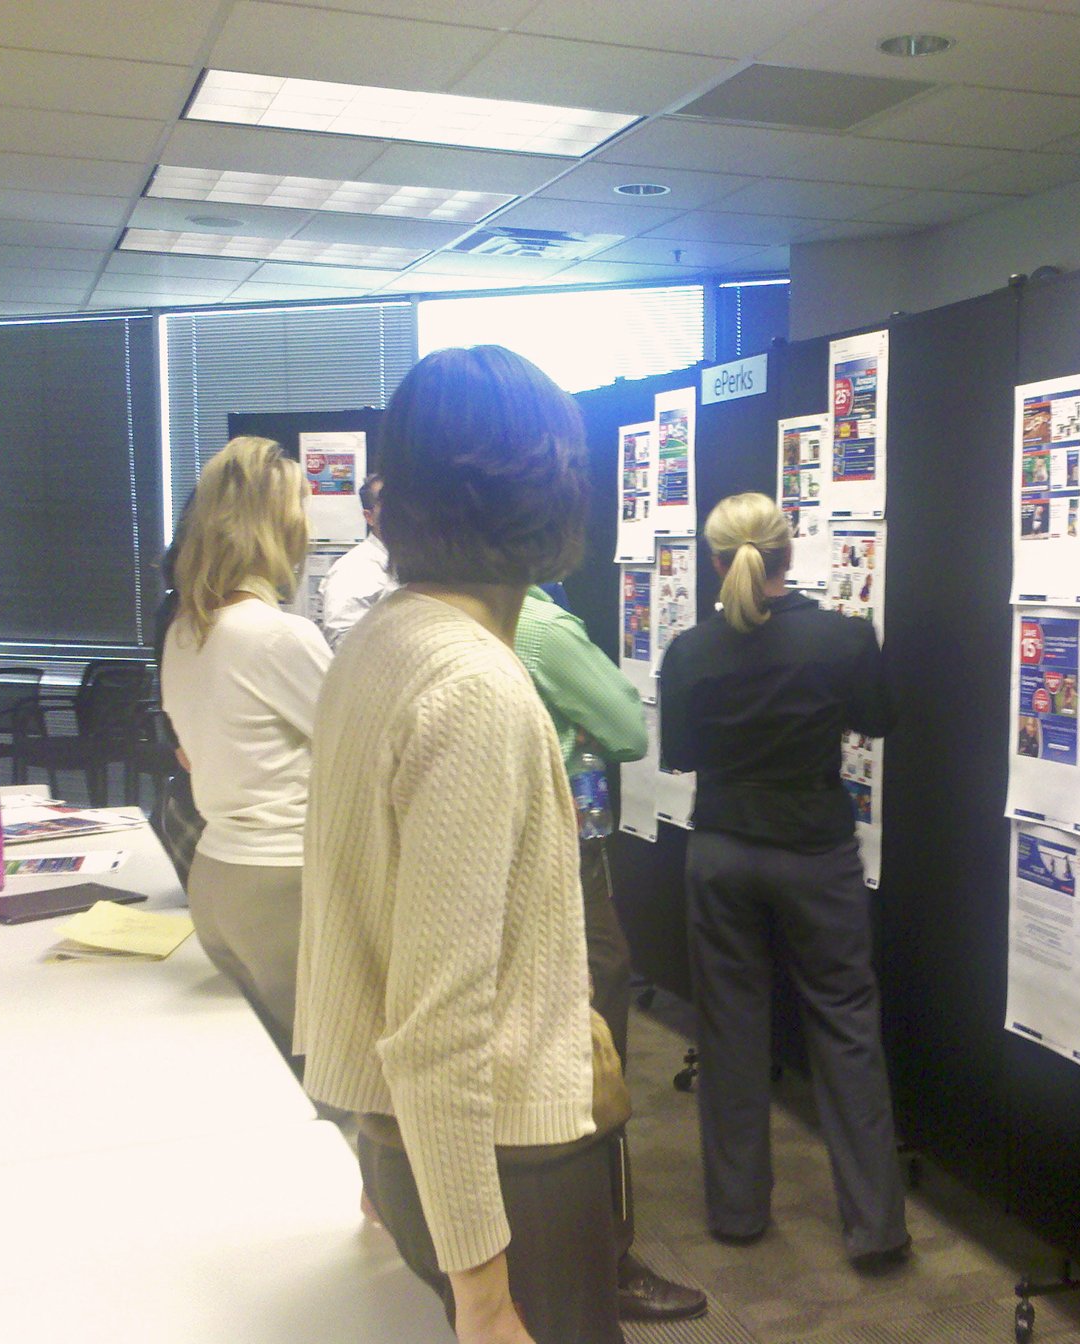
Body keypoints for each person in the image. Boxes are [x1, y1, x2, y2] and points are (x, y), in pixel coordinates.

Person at [298, 346, 621, 1344]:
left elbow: (357, 918)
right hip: (501, 1172)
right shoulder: (474, 687)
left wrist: (377, 1154)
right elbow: (441, 1023)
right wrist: (484, 1297)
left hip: (426, 1153)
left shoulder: (381, 640)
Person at [659, 491, 909, 1272]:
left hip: (724, 851)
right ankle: (876, 1227)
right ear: (789, 552)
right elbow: (880, 719)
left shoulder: (690, 650)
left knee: (730, 1030)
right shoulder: (841, 639)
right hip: (815, 854)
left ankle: (737, 1213)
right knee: (845, 1024)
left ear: (713, 559)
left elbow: (683, 755)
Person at [513, 585, 709, 1323]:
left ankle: (556, 1249)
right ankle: (606, 1260)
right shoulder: (539, 623)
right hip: (561, 858)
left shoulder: (420, 611)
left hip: (501, 862)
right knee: (596, 1044)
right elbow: (627, 725)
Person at [160, 437, 330, 1054]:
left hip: (218, 878)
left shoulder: (185, 635)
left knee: (272, 1074)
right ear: (281, 525)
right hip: (285, 882)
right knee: (337, 1091)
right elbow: (366, 753)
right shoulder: (278, 636)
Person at [318, 471, 396, 648]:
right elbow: (342, 644)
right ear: (369, 517)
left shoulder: (409, 563)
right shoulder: (354, 569)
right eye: (387, 504)